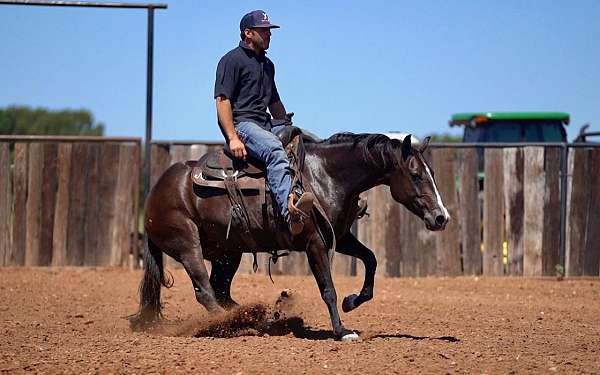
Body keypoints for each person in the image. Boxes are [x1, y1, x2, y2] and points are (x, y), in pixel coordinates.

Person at [214, 10, 314, 236]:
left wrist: (288, 126)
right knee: (275, 151)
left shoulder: (268, 65)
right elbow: (222, 101)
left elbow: (274, 101)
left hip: (266, 124)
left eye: (269, 30)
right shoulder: (231, 60)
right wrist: (233, 138)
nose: (269, 34)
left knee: (307, 140)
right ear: (248, 33)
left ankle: (306, 197)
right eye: (263, 30)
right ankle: (291, 215)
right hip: (243, 125)